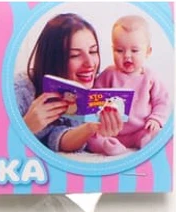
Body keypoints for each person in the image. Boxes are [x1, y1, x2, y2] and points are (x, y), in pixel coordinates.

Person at [15, 13, 123, 152]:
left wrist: (91, 127)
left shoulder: (102, 83)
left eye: (93, 51)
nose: (90, 63)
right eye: (75, 55)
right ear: (53, 58)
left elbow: (58, 137)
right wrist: (25, 127)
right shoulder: (19, 91)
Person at [88, 15, 171, 155]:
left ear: (147, 52)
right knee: (91, 137)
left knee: (152, 132)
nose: (127, 55)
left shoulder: (150, 77)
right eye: (119, 50)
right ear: (112, 49)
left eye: (134, 50)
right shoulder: (108, 74)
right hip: (110, 131)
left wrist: (156, 119)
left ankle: (147, 141)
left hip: (140, 129)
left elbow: (162, 101)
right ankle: (107, 146)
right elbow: (93, 98)